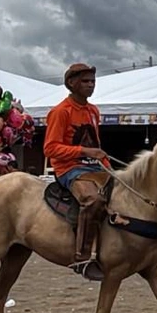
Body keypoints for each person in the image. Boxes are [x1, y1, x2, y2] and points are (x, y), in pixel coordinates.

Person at [43, 63, 112, 281]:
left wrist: (109, 168)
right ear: (72, 83)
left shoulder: (93, 111)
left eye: (93, 81)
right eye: (85, 81)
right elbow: (50, 148)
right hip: (69, 169)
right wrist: (83, 150)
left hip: (94, 168)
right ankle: (82, 258)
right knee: (92, 200)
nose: (91, 85)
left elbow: (96, 144)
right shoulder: (60, 112)